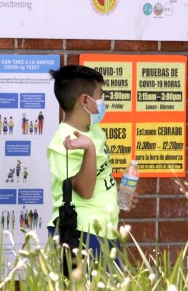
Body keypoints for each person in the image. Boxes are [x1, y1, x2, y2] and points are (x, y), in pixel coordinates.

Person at [46, 65, 129, 259]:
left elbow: (97, 177)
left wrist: (119, 195)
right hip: (82, 233)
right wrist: (89, 149)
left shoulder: (94, 130)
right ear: (85, 100)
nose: (102, 101)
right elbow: (84, 190)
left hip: (106, 230)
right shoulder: (63, 142)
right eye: (100, 95)